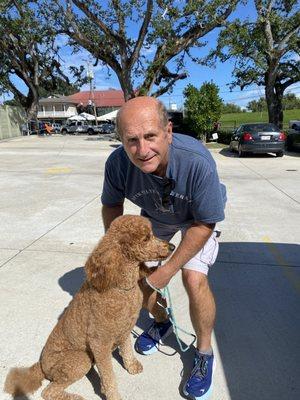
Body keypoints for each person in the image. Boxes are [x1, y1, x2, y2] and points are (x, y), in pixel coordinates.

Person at [101, 96, 226, 399]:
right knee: (140, 276)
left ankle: (204, 353)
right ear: (121, 139)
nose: (142, 151)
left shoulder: (197, 163)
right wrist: (119, 252)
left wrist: (168, 270)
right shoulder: (117, 164)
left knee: (192, 278)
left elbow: (204, 225)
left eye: (150, 136)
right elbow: (112, 204)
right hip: (157, 217)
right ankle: (161, 321)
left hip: (196, 219)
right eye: (131, 140)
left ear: (168, 131)